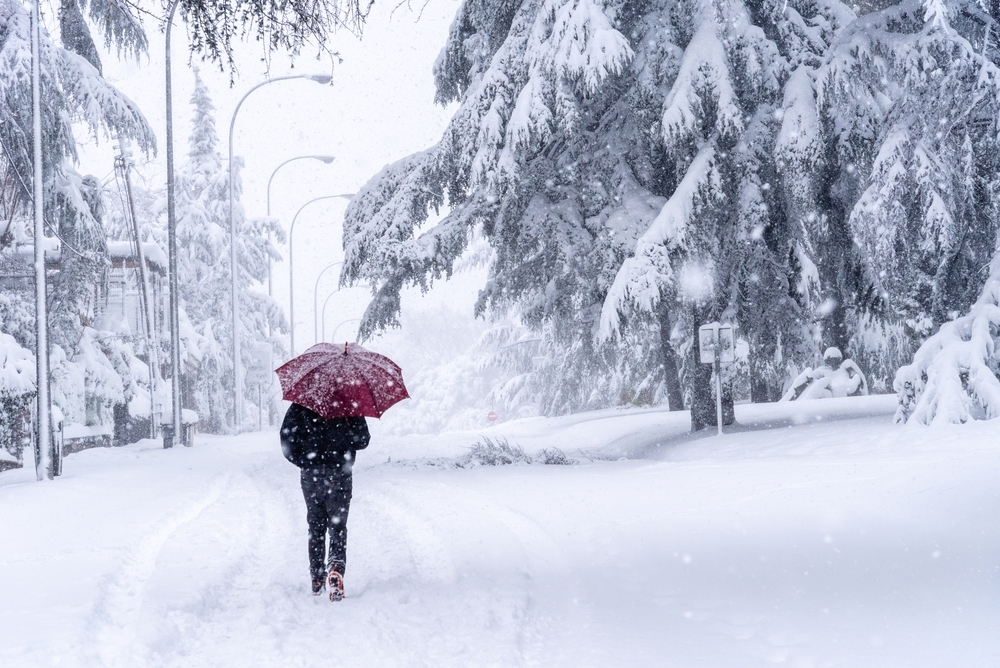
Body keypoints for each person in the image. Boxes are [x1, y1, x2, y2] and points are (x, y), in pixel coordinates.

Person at [280, 402, 370, 601]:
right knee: (337, 525)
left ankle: (317, 577)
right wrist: (346, 433)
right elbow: (363, 440)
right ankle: (336, 567)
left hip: (311, 475)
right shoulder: (349, 404)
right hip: (340, 472)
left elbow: (286, 439)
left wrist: (303, 461)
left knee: (316, 525)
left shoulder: (301, 404)